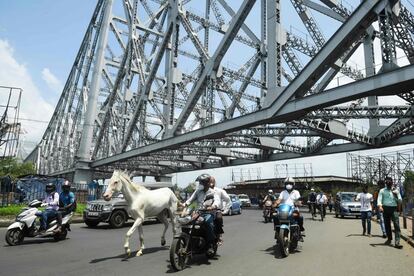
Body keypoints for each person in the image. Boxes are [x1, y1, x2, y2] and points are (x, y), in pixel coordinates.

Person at [184, 173, 220, 254]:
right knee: (186, 221)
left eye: (202, 182)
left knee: (207, 222)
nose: (200, 184)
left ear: (207, 183)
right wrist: (184, 205)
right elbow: (190, 199)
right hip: (198, 212)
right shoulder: (198, 191)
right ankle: (188, 240)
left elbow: (217, 201)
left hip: (208, 212)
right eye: (200, 182)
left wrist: (213, 206)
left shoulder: (213, 192)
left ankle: (210, 244)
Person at [377, 177, 403, 249]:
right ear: (385, 183)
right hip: (385, 209)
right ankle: (389, 239)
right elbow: (379, 200)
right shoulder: (382, 191)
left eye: (389, 182)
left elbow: (400, 200)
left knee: (396, 225)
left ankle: (397, 242)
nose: (388, 183)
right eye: (387, 182)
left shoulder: (396, 190)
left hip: (394, 209)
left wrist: (396, 195)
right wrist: (380, 206)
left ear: (392, 182)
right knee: (387, 225)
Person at [210, 176, 231, 245]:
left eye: (212, 181)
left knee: (218, 218)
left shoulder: (219, 191)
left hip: (216, 210)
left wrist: (225, 211)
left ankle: (219, 236)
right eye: (209, 181)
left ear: (214, 182)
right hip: (204, 210)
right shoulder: (203, 191)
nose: (210, 183)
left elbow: (228, 200)